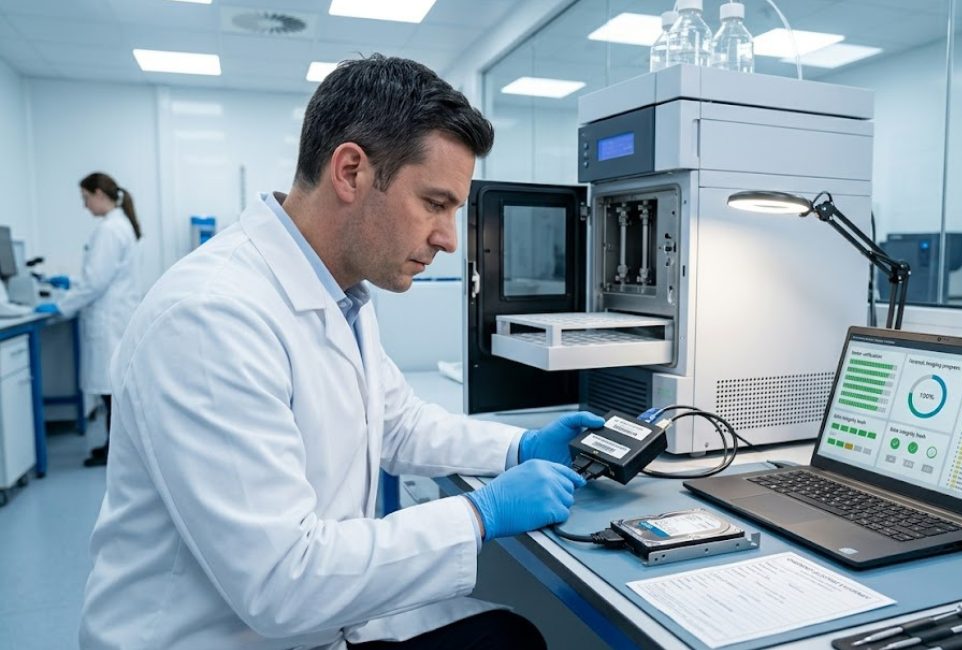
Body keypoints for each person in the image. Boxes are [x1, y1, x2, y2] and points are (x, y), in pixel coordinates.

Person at [79, 55, 605, 650]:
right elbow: (283, 582)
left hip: (306, 625)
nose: (450, 238)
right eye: (435, 203)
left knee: (510, 635)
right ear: (351, 172)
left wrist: (519, 446)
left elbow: (397, 422)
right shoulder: (210, 319)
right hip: (218, 636)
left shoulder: (340, 290)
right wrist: (478, 515)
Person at [35, 172, 142, 468]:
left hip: (109, 320)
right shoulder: (118, 226)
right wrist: (69, 282)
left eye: (85, 198)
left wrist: (60, 306)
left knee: (111, 392)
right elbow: (98, 277)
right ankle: (112, 448)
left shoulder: (110, 230)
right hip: (115, 316)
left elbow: (95, 282)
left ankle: (115, 452)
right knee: (112, 392)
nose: (84, 206)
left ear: (98, 194)